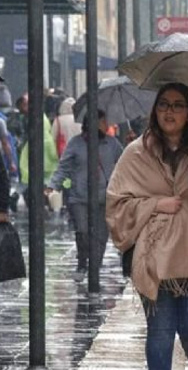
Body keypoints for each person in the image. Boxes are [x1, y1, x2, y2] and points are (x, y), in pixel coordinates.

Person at [106, 82, 188, 369]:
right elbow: (116, 204)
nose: (169, 112)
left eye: (177, 105)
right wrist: (156, 204)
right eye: (163, 105)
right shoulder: (136, 154)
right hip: (154, 260)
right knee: (160, 335)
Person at [47, 110, 122, 282]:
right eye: (103, 122)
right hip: (79, 196)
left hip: (105, 197)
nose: (107, 125)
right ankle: (82, 263)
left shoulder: (112, 144)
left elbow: (126, 163)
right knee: (82, 231)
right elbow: (64, 167)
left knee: (101, 235)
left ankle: (95, 265)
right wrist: (53, 186)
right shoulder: (76, 144)